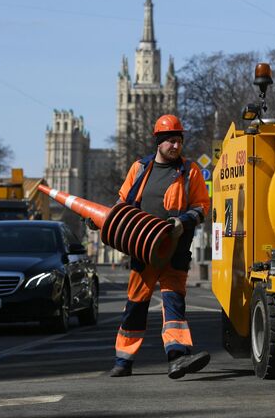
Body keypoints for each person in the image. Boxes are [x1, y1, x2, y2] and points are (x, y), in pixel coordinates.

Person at [109, 114, 211, 379]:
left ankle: (177, 358)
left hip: (175, 252)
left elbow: (202, 207)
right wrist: (103, 221)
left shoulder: (190, 171)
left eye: (178, 141)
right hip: (143, 252)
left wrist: (184, 220)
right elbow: (122, 204)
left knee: (174, 304)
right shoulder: (140, 169)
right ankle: (123, 360)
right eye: (170, 141)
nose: (175, 146)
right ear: (158, 142)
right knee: (136, 305)